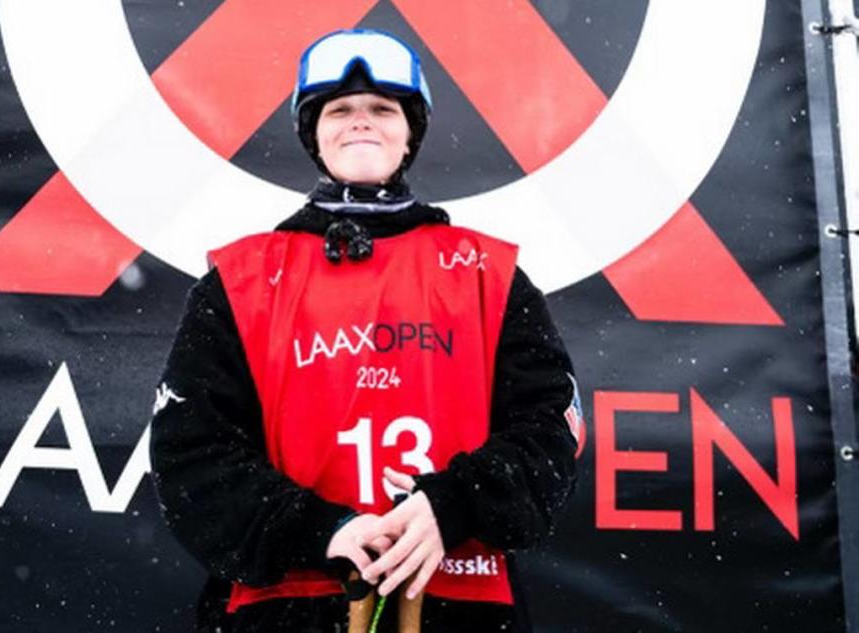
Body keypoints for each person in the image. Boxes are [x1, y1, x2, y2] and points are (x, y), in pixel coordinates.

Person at [150, 28, 581, 633]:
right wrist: (323, 531)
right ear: (314, 132)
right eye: (339, 110)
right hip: (282, 612)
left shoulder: (488, 272)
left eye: (382, 109)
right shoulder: (241, 278)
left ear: (410, 134)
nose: (361, 122)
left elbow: (549, 428)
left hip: (462, 606)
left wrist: (450, 506)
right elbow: (190, 454)